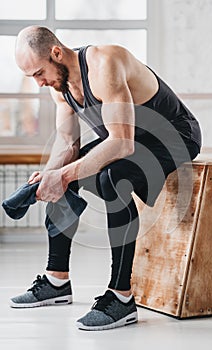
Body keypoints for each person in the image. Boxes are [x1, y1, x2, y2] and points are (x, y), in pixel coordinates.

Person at [10, 25, 202, 331]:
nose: (38, 83)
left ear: (56, 53)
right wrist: (49, 176)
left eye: (38, 73)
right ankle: (56, 280)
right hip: (130, 138)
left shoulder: (104, 62)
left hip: (174, 135)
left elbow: (121, 144)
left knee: (114, 177)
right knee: (64, 178)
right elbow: (67, 144)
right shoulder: (60, 88)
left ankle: (122, 297)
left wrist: (61, 175)